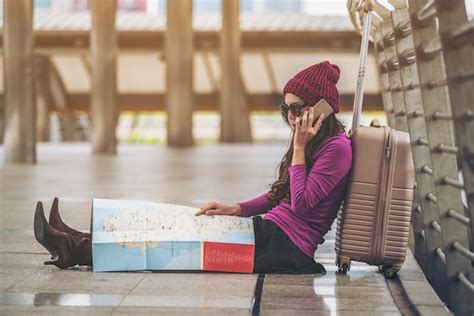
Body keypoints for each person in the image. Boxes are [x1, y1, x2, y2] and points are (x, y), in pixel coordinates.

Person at [34, 60, 353, 274]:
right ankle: (75, 237)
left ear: (322, 108)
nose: (291, 118)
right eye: (286, 109)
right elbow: (279, 195)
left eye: (297, 109)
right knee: (175, 223)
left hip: (286, 249)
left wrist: (298, 148)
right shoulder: (311, 141)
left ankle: (73, 250)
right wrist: (233, 209)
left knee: (174, 247)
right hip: (269, 233)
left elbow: (302, 202)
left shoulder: (336, 148)